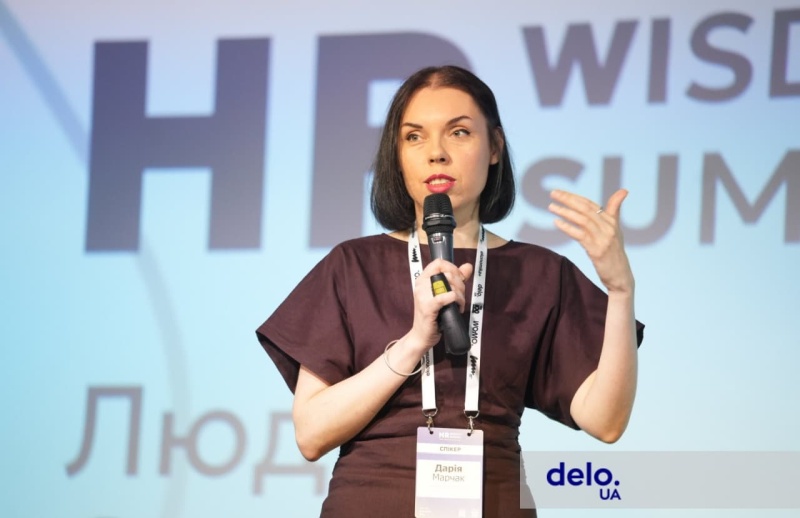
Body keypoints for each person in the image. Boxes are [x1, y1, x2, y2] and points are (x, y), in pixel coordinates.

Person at [256, 65, 644, 517]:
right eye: (414, 137)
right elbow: (311, 435)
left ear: (494, 147)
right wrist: (413, 343)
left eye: (459, 133)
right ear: (397, 155)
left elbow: (606, 421)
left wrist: (620, 290)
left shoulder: (540, 273)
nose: (436, 154)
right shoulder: (352, 266)